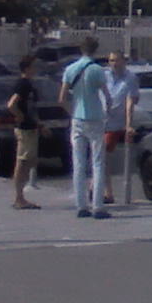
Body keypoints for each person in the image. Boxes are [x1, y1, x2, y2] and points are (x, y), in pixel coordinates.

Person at [58, 38, 109, 220]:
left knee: (78, 163)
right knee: (97, 162)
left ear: (81, 49)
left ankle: (81, 206)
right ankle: (98, 206)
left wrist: (72, 112)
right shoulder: (98, 70)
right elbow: (107, 96)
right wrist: (107, 112)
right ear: (95, 50)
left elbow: (62, 98)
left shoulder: (70, 69)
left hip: (77, 118)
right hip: (95, 118)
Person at [100, 52, 140, 204]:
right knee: (98, 156)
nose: (114, 64)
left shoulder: (130, 78)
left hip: (114, 123)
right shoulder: (103, 75)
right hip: (98, 120)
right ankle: (95, 186)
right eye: (111, 60)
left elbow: (131, 102)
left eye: (117, 60)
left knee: (103, 156)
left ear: (124, 61)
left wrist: (128, 125)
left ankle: (107, 192)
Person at [7, 55, 41, 210]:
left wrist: (39, 125)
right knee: (22, 162)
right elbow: (11, 104)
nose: (36, 69)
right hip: (24, 129)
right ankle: (19, 198)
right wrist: (19, 115)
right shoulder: (23, 84)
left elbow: (32, 108)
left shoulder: (30, 84)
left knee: (29, 162)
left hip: (31, 127)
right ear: (27, 68)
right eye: (34, 66)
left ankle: (21, 197)